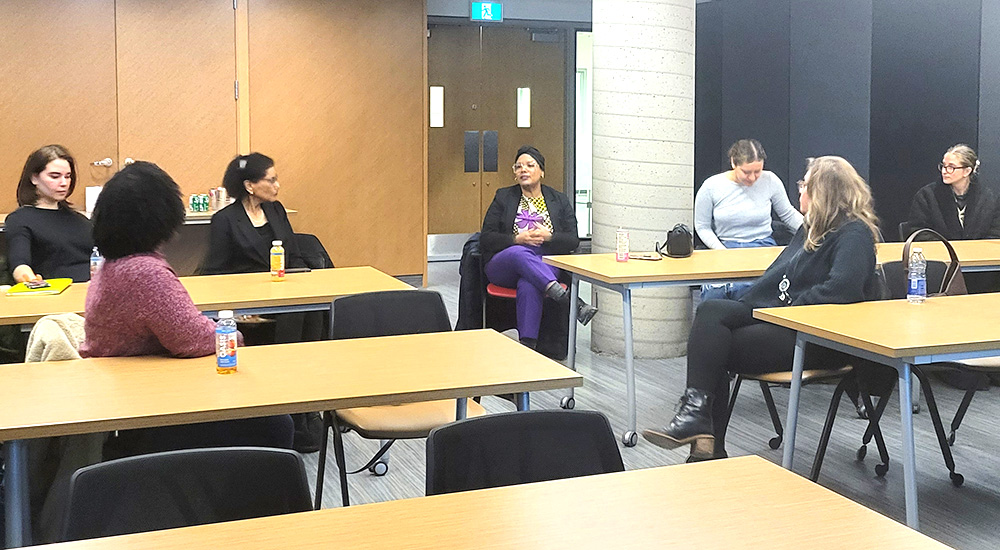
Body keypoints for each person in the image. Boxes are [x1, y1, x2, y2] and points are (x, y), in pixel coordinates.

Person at [643, 156, 882, 461]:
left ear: (824, 191)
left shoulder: (854, 234)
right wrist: (755, 307)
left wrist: (785, 310)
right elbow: (778, 277)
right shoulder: (812, 228)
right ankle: (698, 420)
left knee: (715, 347)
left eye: (805, 184)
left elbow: (840, 291)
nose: (801, 190)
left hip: (819, 338)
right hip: (785, 318)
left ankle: (705, 442)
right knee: (711, 311)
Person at [79, 161, 293, 454]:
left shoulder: (113, 263)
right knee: (276, 423)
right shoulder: (145, 272)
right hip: (145, 403)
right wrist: (239, 335)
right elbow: (192, 339)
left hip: (124, 390)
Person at [480, 146, 597, 349]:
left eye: (529, 165)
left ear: (542, 171)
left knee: (529, 283)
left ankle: (528, 347)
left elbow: (572, 240)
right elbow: (486, 238)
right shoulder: (503, 197)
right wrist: (518, 239)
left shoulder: (558, 200)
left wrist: (550, 237)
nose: (523, 170)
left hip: (544, 262)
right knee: (519, 253)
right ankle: (571, 302)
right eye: (518, 167)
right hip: (506, 262)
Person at [694, 139, 803, 300]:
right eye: (746, 172)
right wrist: (721, 251)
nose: (752, 178)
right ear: (733, 163)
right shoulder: (711, 186)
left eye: (757, 171)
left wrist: (815, 230)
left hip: (762, 246)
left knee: (752, 291)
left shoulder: (770, 180)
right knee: (714, 293)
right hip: (724, 246)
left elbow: (788, 214)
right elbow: (702, 226)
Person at [200, 152, 305, 275]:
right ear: (249, 186)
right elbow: (216, 270)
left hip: (282, 285)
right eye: (271, 181)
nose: (277, 185)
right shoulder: (224, 219)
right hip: (244, 290)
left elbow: (294, 256)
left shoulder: (276, 209)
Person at [6, 145, 93, 283]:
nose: (64, 183)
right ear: (34, 178)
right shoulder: (20, 219)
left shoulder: (81, 220)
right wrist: (30, 280)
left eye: (68, 176)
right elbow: (19, 264)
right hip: (54, 295)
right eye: (55, 176)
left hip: (91, 292)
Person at [907, 144, 1000, 240]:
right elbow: (918, 231)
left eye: (951, 167)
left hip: (977, 253)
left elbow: (996, 232)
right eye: (943, 166)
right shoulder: (926, 196)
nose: (944, 171)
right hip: (939, 253)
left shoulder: (987, 198)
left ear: (967, 171)